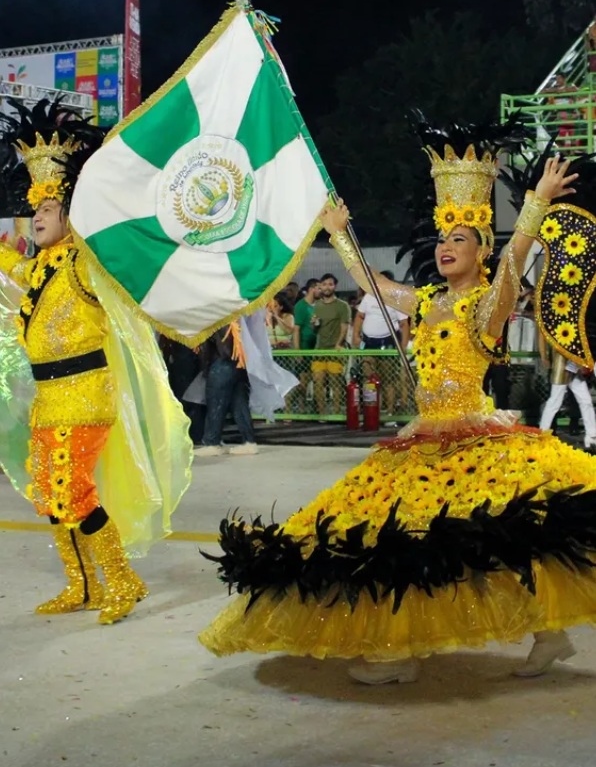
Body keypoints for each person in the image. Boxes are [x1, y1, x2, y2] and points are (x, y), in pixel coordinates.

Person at [199, 119, 596, 685]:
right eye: (442, 237)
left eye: (460, 239)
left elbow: (513, 268)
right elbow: (375, 286)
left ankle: (400, 654)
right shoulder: (426, 299)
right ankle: (539, 638)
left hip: (476, 438)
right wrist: (339, 231)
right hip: (421, 435)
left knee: (483, 537)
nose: (445, 246)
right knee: (404, 541)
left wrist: (533, 206)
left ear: (482, 251)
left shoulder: (487, 303)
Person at [0, 98, 192, 623]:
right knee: (49, 492)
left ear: (71, 215)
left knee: (71, 488)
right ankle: (81, 586)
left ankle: (123, 580)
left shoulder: (87, 265)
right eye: (33, 209)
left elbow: (130, 274)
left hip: (86, 394)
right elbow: (8, 270)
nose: (36, 217)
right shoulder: (38, 271)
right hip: (47, 400)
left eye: (47, 209)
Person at [352, 269, 411, 415]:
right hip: (368, 343)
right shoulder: (369, 297)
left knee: (388, 379)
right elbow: (359, 316)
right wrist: (355, 335)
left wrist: (403, 346)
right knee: (368, 378)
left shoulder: (395, 299)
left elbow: (404, 324)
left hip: (388, 343)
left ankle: (390, 412)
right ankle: (371, 411)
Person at [195, 324, 259, 456]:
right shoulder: (238, 318)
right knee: (239, 403)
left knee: (215, 402)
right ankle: (249, 441)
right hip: (239, 362)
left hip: (222, 362)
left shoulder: (219, 318)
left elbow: (221, 346)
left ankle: (212, 442)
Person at [538, 332, 596, 452]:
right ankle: (542, 435)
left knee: (586, 401)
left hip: (574, 367)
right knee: (555, 402)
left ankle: (591, 437)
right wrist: (544, 356)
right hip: (563, 365)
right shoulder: (563, 325)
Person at [311, 272, 351, 414]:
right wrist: (314, 324)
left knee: (336, 382)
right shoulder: (317, 306)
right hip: (319, 349)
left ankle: (336, 412)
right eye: (324, 284)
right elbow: (315, 329)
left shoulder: (342, 306)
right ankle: (322, 412)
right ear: (320, 286)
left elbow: (344, 326)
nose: (327, 287)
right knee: (318, 381)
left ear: (335, 286)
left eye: (330, 284)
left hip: (335, 350)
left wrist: (338, 344)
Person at [292, 278, 321, 411]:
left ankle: (314, 407)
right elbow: (296, 329)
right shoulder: (300, 306)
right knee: (303, 380)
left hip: (316, 348)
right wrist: (298, 351)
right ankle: (301, 407)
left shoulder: (318, 305)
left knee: (316, 379)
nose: (320, 291)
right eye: (318, 288)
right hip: (304, 347)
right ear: (311, 289)